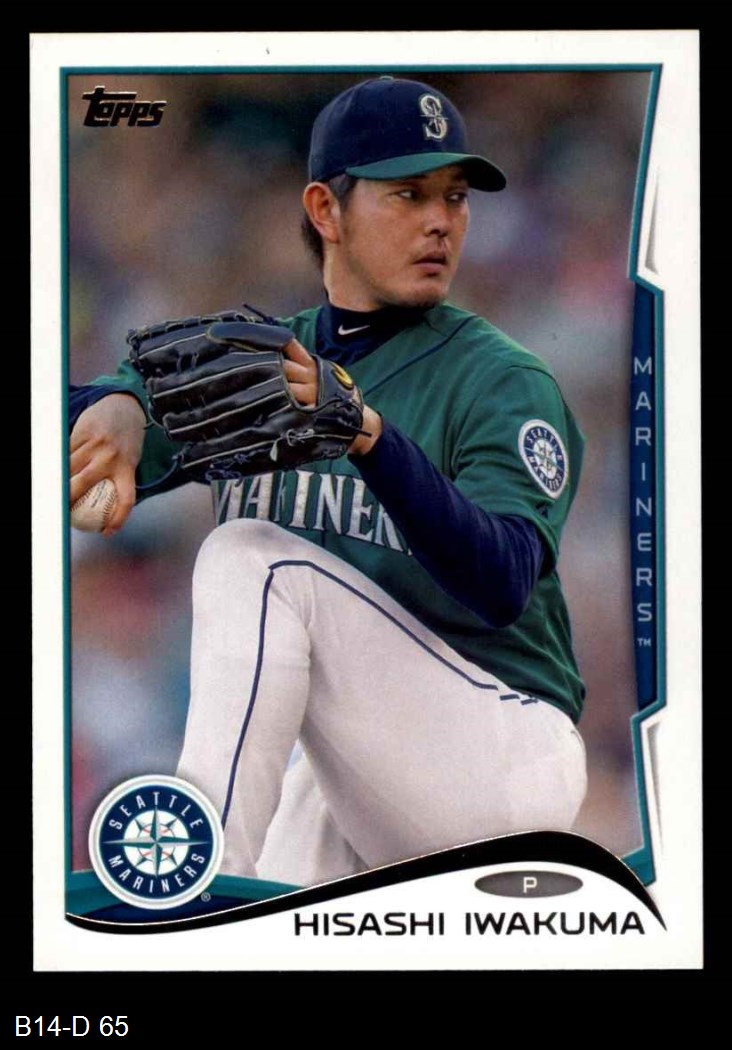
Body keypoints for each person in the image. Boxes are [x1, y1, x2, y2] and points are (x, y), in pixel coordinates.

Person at [69, 76, 587, 887]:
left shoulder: (499, 379)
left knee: (250, 557)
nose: (440, 221)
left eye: (454, 197)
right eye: (408, 194)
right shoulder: (270, 364)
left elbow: (503, 582)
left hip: (500, 759)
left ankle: (201, 877)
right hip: (365, 778)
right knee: (288, 853)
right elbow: (87, 439)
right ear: (325, 210)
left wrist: (373, 440)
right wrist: (118, 403)